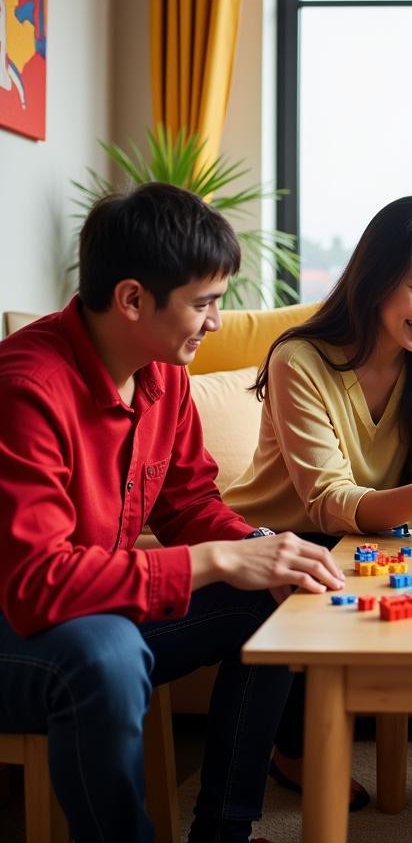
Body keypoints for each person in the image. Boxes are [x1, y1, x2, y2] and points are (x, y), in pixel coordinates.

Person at [0, 183, 344, 843]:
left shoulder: (164, 377)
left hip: (103, 613)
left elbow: (189, 504)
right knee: (106, 653)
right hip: (20, 631)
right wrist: (215, 559)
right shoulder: (27, 390)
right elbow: (37, 585)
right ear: (132, 298)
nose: (216, 321)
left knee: (270, 600)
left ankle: (223, 833)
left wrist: (261, 548)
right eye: (204, 302)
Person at [223, 195, 412, 804]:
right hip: (274, 536)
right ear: (376, 279)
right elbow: (326, 501)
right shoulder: (299, 360)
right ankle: (293, 753)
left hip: (366, 541)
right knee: (312, 575)